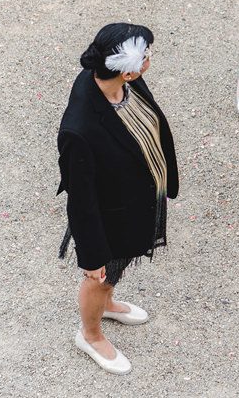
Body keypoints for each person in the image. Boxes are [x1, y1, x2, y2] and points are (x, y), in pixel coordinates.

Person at [56, 23, 177, 376]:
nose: (150, 60)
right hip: (110, 213)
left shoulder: (122, 81)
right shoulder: (79, 128)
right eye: (146, 55)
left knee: (115, 271)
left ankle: (107, 303)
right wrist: (91, 258)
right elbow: (81, 200)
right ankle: (90, 334)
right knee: (100, 274)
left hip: (133, 199)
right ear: (126, 68)